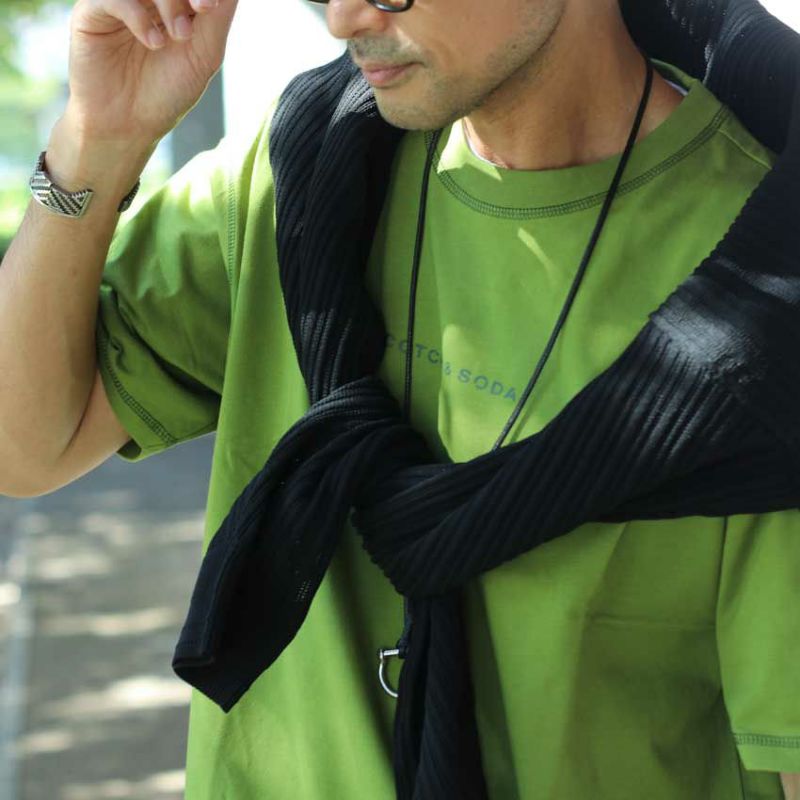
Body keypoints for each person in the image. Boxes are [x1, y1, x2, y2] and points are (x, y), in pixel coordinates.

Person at [1, 0, 798, 797]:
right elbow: (24, 448)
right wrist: (98, 140)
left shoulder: (765, 289)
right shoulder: (301, 177)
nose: (344, 19)